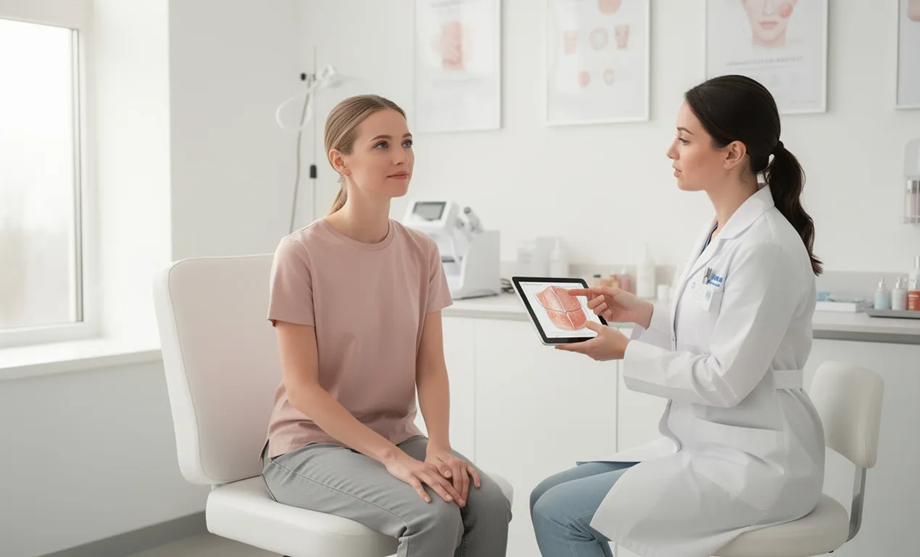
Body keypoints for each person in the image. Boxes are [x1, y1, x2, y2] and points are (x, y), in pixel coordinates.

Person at [529, 74, 826, 557]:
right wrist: (643, 314)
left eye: (685, 140)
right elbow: (713, 330)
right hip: (707, 443)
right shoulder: (719, 231)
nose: (671, 151)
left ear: (732, 153)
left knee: (558, 513)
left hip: (756, 462)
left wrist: (625, 351)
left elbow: (727, 379)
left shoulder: (765, 247)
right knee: (547, 494)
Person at [260, 94, 511, 557]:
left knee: (489, 504)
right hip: (309, 447)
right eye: (381, 145)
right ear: (341, 160)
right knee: (432, 514)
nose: (402, 157)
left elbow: (430, 366)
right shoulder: (300, 253)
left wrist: (439, 445)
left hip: (397, 434)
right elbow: (302, 389)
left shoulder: (422, 252)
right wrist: (393, 459)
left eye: (407, 142)